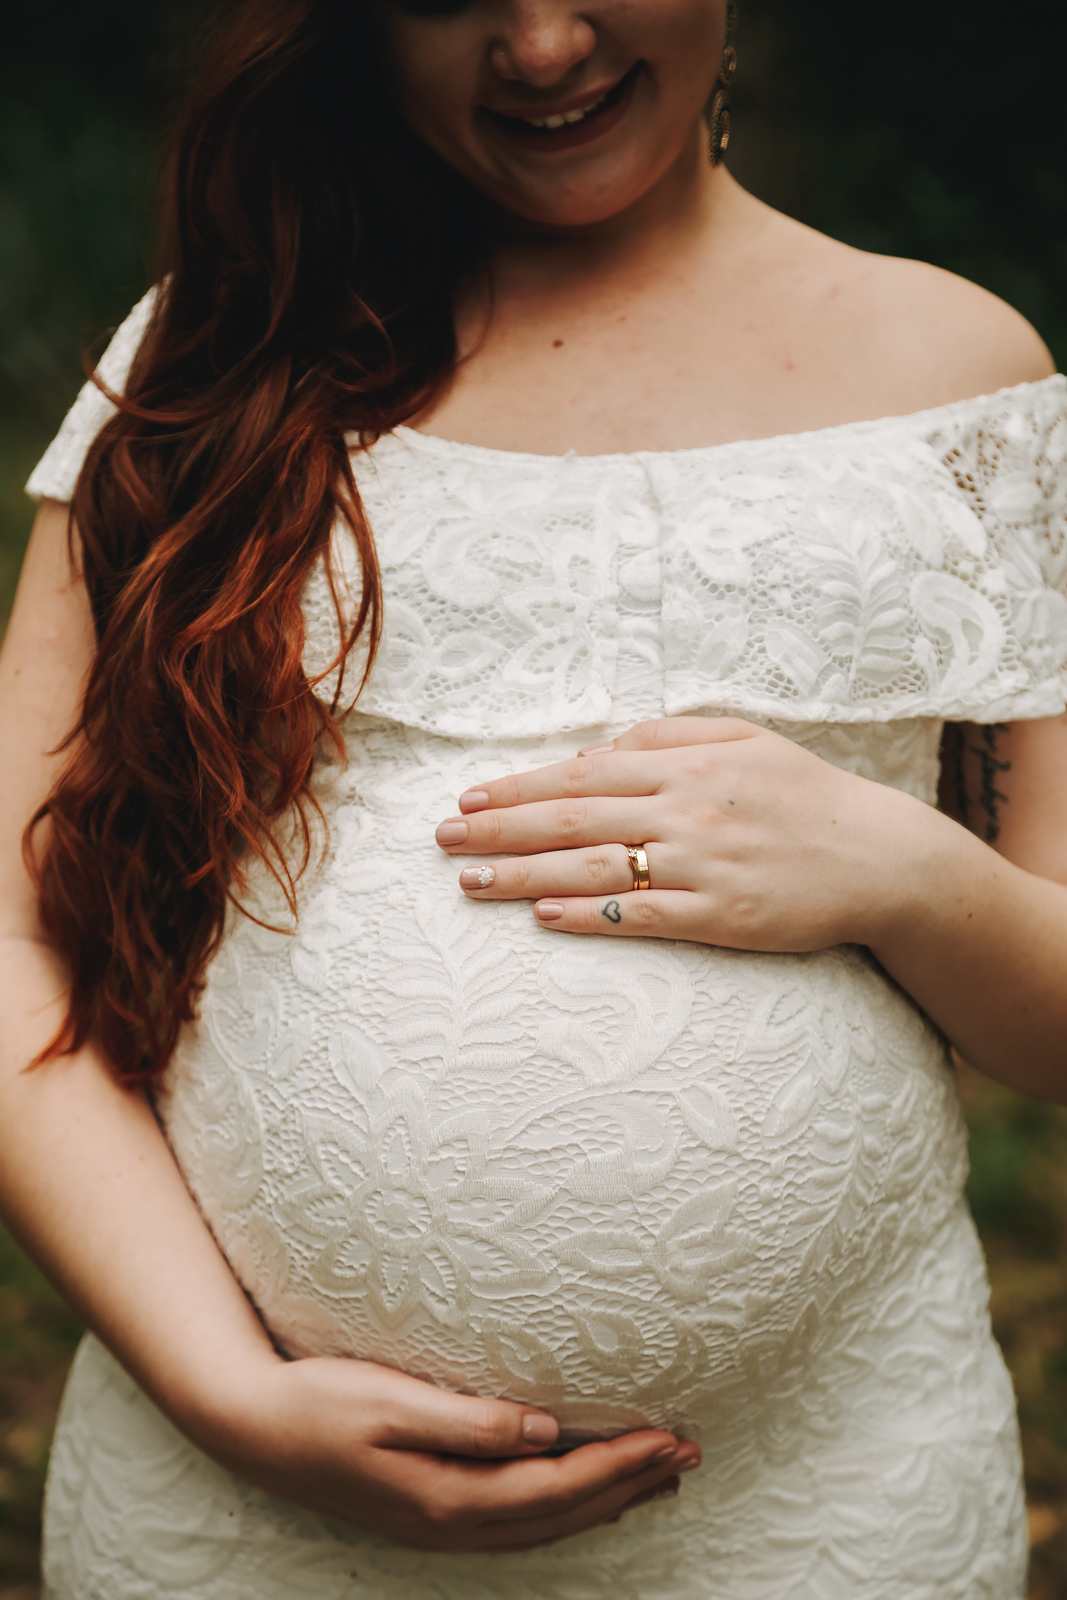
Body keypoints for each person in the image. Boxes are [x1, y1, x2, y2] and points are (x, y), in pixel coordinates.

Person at [1, 0, 1064, 1592]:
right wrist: (220, 1388)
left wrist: (901, 870)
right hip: (236, 1515)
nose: (545, 47)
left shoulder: (962, 375)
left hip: (816, 1508)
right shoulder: (221, 349)